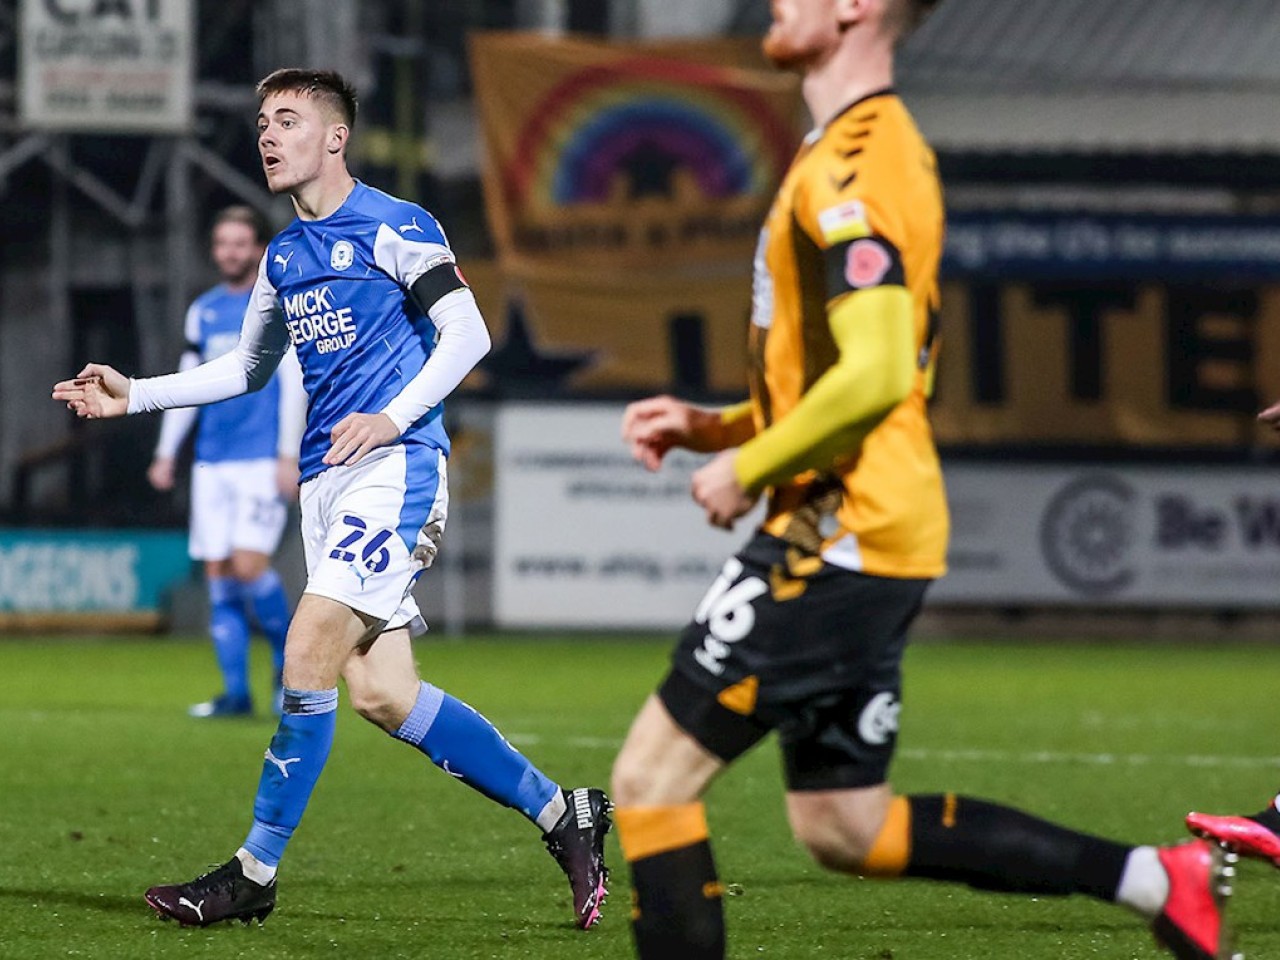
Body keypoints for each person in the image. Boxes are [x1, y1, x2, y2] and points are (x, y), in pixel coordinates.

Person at [610, 2, 1238, 959]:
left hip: (842, 527)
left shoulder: (860, 162)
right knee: (844, 825)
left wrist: (751, 464)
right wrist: (720, 426)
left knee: (650, 783)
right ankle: (1159, 880)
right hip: (872, 523)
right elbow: (858, 371)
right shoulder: (849, 149)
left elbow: (877, 375)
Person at [54, 68, 610, 931]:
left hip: (394, 470)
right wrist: (137, 396)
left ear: (335, 137)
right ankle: (560, 812)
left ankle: (253, 873)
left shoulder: (395, 225)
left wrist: (393, 418)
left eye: (287, 120)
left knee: (307, 647)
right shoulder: (284, 255)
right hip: (326, 484)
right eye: (262, 123)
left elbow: (469, 333)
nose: (268, 136)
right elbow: (248, 368)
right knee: (385, 694)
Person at [148, 205, 306, 718]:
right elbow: (188, 385)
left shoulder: (276, 304)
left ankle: (288, 671)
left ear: (258, 248)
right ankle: (236, 693)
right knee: (218, 571)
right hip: (211, 461)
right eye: (222, 243)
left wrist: (287, 454)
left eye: (240, 243)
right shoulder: (204, 311)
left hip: (260, 459)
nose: (230, 253)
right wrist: (166, 451)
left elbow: (293, 383)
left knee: (248, 566)